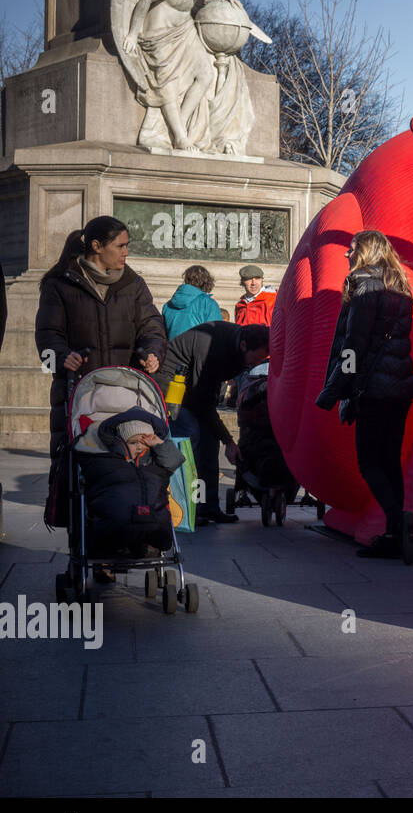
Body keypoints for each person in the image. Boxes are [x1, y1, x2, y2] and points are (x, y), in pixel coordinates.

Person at [315, 230, 413, 562]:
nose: (347, 254)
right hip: (400, 387)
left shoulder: (361, 283)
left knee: (369, 462)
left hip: (373, 387)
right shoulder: (400, 287)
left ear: (366, 252)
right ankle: (393, 534)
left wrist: (335, 390)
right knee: (389, 460)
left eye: (352, 248)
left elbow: (354, 345)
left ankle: (397, 522)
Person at [35, 216, 166, 460]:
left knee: (131, 462)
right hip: (79, 393)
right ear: (97, 246)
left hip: (127, 392)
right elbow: (47, 336)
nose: (126, 252)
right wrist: (62, 357)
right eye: (120, 246)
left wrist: (153, 351)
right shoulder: (60, 284)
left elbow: (152, 325)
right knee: (74, 464)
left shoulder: (134, 284)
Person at [155, 320, 269, 525]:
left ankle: (209, 507)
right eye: (253, 359)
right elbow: (202, 402)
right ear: (244, 346)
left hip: (193, 386)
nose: (253, 365)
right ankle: (188, 508)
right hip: (170, 384)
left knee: (210, 441)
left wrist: (223, 440)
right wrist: (229, 440)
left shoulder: (240, 347)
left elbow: (207, 396)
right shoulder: (214, 348)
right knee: (192, 434)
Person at [77, 407, 182, 561]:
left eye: (144, 443)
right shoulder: (107, 461)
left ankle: (144, 547)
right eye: (133, 443)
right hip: (116, 520)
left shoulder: (156, 465)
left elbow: (174, 460)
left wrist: (159, 443)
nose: (139, 447)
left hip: (153, 521)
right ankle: (111, 556)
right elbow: (89, 463)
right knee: (112, 521)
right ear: (120, 443)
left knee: (160, 525)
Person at [162, 264, 221, 337]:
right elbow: (217, 332)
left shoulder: (168, 305)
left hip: (173, 346)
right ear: (207, 282)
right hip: (198, 347)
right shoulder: (208, 304)